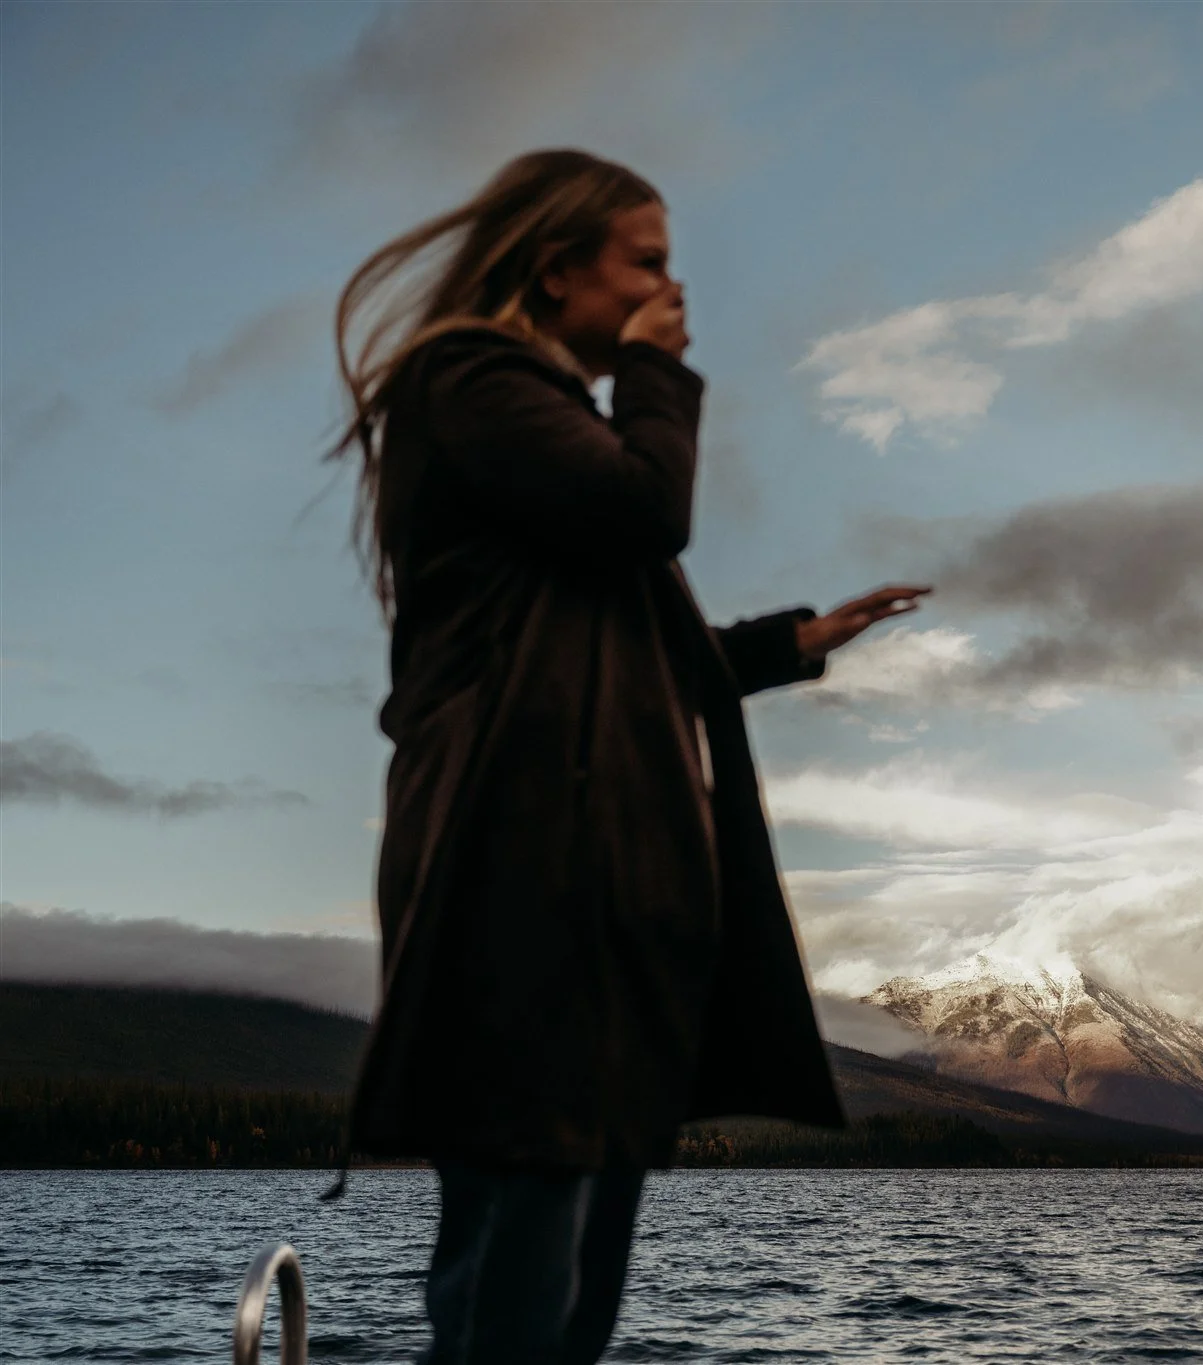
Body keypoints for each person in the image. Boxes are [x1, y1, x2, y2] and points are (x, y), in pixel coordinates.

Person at [325, 148, 928, 1364]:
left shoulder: (534, 430)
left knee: (573, 1228)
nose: (672, 291)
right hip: (525, 863)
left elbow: (627, 637)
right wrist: (657, 368)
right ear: (556, 271)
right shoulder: (471, 381)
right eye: (647, 264)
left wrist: (789, 644)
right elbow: (649, 513)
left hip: (589, 877)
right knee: (527, 1227)